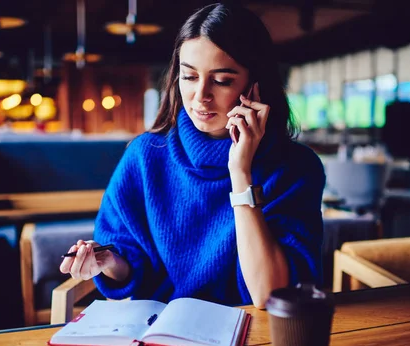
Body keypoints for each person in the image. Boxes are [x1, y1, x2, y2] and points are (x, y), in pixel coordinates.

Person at [60, 2, 325, 308]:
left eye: (222, 80)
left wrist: (241, 173)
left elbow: (269, 294)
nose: (200, 96)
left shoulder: (296, 169)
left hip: (255, 338)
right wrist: (107, 261)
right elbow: (130, 268)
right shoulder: (145, 157)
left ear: (257, 86)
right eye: (189, 77)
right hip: (162, 336)